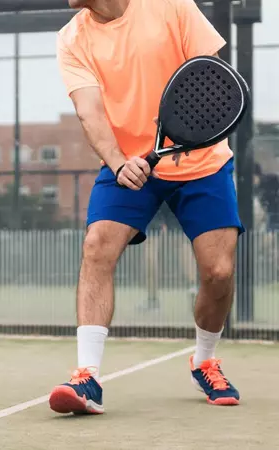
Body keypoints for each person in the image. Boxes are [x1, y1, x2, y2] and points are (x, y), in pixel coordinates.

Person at [49, 0, 243, 415]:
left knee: (219, 272)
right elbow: (89, 111)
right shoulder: (72, 38)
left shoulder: (171, 5)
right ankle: (87, 378)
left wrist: (188, 137)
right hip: (127, 165)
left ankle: (205, 360)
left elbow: (209, 78)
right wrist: (119, 162)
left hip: (203, 163)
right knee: (97, 246)